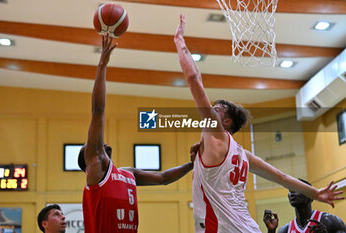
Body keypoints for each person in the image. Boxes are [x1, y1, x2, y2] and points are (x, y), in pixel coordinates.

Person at [173, 14, 344, 233]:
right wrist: (315, 193)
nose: (210, 112)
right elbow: (282, 177)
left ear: (225, 122)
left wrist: (180, 42)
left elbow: (193, 78)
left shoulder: (216, 134)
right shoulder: (243, 154)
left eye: (217, 110)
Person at [77, 34, 196, 233]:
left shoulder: (128, 174)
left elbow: (164, 177)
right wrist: (102, 65)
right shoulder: (96, 169)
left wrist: (192, 164)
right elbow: (98, 109)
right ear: (88, 160)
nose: (95, 142)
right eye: (88, 146)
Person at [263, 179, 346, 233]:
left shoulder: (331, 221)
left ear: (311, 196)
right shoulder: (285, 230)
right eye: (290, 190)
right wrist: (271, 230)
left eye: (298, 189)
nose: (292, 193)